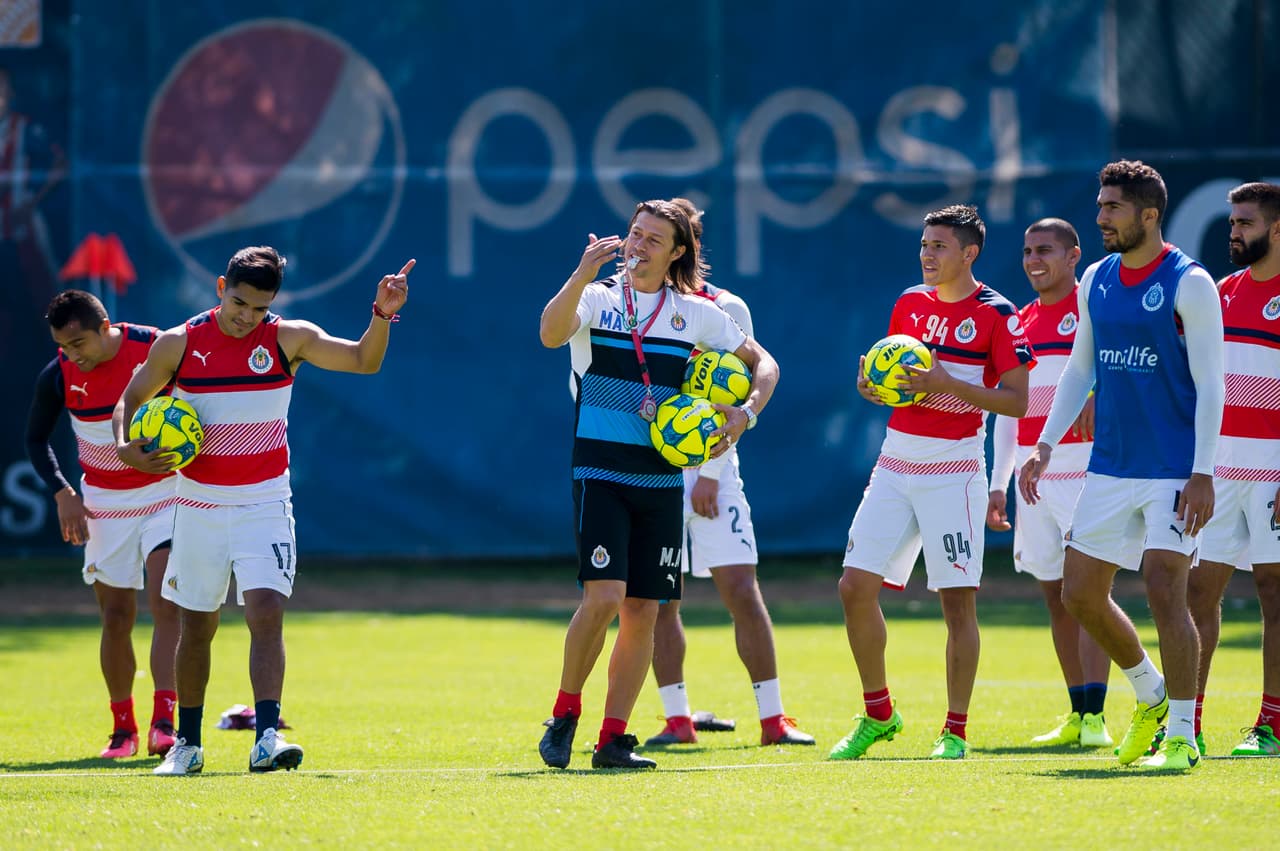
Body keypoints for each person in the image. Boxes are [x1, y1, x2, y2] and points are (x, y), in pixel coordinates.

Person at [112, 246, 412, 776]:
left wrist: (382, 313)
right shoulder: (177, 343)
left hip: (264, 503)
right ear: (221, 286)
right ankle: (187, 744)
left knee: (266, 613)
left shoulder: (287, 338)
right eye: (239, 302)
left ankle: (267, 739)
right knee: (197, 626)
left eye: (259, 307)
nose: (246, 316)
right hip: (198, 505)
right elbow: (129, 401)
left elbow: (364, 361)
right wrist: (123, 445)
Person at [537, 199, 780, 770]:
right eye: (635, 234)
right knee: (604, 598)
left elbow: (763, 363)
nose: (638, 245)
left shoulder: (695, 314)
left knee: (644, 610)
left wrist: (746, 412)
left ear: (677, 252)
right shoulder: (597, 298)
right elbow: (550, 334)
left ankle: (612, 739)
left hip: (661, 480)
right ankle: (565, 713)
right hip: (600, 470)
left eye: (653, 239)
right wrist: (580, 273)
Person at [1019, 160, 1224, 771]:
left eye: (1112, 208)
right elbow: (1081, 368)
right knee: (1080, 594)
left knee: (1165, 587)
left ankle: (1184, 737)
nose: (1101, 217)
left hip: (1173, 468)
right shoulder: (1098, 280)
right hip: (1108, 466)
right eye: (1101, 205)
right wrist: (1046, 445)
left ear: (1149, 214)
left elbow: (1212, 386)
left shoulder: (1191, 282)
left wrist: (1204, 472)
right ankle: (1152, 697)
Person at [830, 204, 1034, 762]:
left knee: (956, 605)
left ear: (969, 253)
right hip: (895, 462)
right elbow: (898, 379)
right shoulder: (909, 303)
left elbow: (1017, 400)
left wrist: (947, 382)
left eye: (939, 246)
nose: (927, 254)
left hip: (955, 471)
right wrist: (874, 385)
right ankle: (878, 713)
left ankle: (955, 731)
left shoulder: (997, 313)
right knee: (854, 587)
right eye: (924, 244)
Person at [644, 199, 813, 749]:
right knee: (661, 599)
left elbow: (736, 387)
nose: (647, 248)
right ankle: (678, 720)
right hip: (654, 469)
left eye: (665, 238)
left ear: (683, 248)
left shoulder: (724, 306)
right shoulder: (636, 304)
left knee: (741, 588)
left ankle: (774, 719)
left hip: (715, 467)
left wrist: (712, 470)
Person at [24, 289, 180, 759]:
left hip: (166, 493)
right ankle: (123, 730)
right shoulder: (59, 374)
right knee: (115, 617)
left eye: (79, 345)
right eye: (63, 347)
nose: (72, 355)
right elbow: (35, 439)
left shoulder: (158, 349)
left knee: (165, 602)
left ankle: (164, 724)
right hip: (104, 503)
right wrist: (63, 492)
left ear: (104, 326)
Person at [987, 219, 1113, 748]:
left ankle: (1098, 719)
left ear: (1073, 255)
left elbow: (1129, 369)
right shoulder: (1019, 320)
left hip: (1086, 470)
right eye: (1026, 251)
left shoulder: (1097, 306)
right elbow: (1009, 411)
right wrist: (998, 482)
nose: (1033, 259)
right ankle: (1077, 712)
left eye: (1045, 250)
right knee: (1055, 595)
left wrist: (1096, 392)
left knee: (1090, 595)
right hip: (1032, 478)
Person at [1187, 181, 1280, 757]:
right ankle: (1185, 722)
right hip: (1220, 472)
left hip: (1274, 470)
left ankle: (1271, 722)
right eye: (1232, 224)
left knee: (1274, 592)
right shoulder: (1220, 294)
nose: (1235, 232)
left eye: (1245, 223)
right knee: (1199, 592)